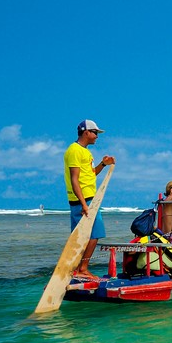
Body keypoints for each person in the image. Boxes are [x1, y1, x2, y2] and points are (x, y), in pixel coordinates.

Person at [64, 119, 116, 280]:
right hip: (84, 200)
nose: (96, 136)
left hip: (90, 199)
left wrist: (103, 164)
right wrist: (83, 204)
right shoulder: (74, 150)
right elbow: (74, 179)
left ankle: (78, 268)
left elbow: (91, 174)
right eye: (95, 133)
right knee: (92, 235)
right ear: (85, 132)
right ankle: (82, 269)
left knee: (86, 236)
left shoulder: (86, 152)